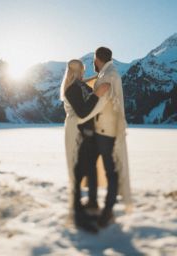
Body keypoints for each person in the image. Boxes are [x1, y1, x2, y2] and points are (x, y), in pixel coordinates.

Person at [78, 47, 132, 227]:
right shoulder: (105, 73)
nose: (93, 62)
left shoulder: (110, 74)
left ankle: (108, 210)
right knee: (91, 165)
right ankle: (93, 201)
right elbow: (98, 91)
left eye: (93, 59)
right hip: (99, 130)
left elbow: (100, 102)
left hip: (106, 132)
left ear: (97, 59)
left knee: (110, 170)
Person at [60, 59, 109, 232]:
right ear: (76, 72)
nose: (83, 74)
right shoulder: (72, 89)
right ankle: (79, 215)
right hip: (76, 132)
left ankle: (90, 207)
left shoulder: (79, 85)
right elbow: (82, 110)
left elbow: (88, 90)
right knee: (77, 171)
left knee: (88, 168)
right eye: (81, 71)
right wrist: (97, 94)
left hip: (86, 133)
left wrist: (97, 79)